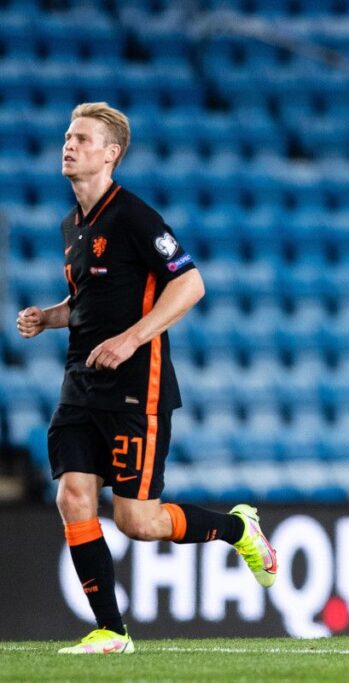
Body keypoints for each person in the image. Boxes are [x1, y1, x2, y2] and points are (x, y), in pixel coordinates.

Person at [16, 103, 277, 655]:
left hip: (138, 385)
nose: (70, 145)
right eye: (68, 136)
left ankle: (237, 528)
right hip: (80, 383)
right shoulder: (73, 225)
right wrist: (51, 315)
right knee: (74, 496)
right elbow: (92, 300)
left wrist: (134, 339)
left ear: (111, 153)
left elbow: (190, 284)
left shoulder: (134, 216)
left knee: (138, 520)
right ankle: (112, 631)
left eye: (83, 139)